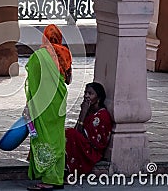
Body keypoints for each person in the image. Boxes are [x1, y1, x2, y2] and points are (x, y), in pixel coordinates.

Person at [25, 24, 72, 191]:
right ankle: (58, 176)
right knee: (57, 137)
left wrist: (30, 103)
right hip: (59, 100)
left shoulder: (39, 56)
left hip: (43, 103)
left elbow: (32, 81)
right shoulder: (65, 53)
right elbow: (68, 79)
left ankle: (49, 179)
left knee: (44, 137)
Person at [65, 82, 112, 176]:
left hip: (92, 152)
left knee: (70, 133)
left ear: (98, 98)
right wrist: (83, 113)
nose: (86, 96)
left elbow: (78, 134)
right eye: (85, 93)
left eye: (90, 94)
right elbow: (77, 131)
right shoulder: (90, 111)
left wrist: (83, 114)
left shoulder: (101, 116)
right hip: (83, 145)